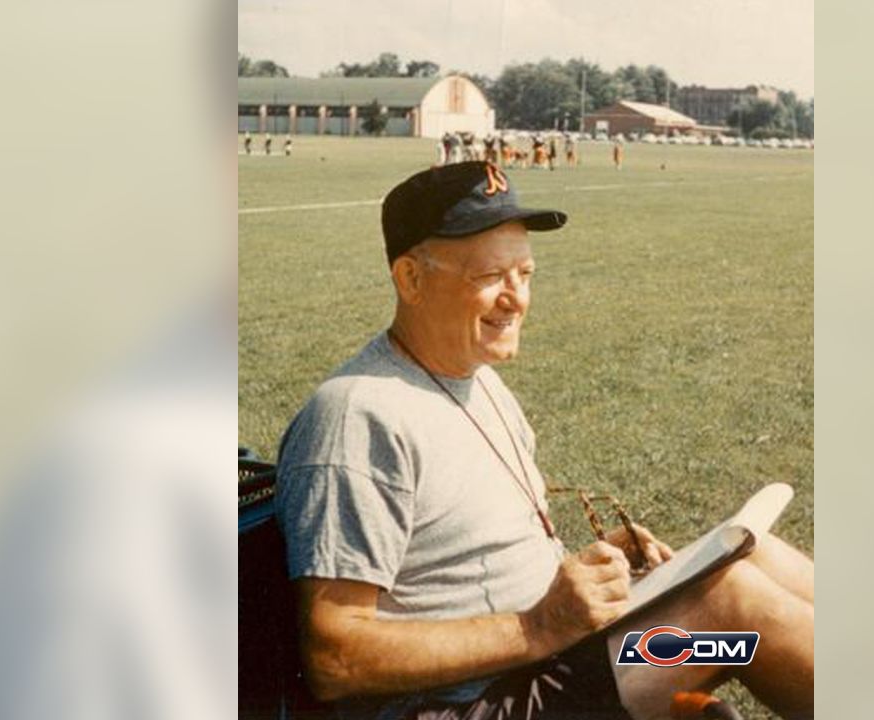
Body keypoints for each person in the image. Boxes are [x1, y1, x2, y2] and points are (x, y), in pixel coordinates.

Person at [275, 161, 814, 720]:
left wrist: (601, 576)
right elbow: (334, 656)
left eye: (524, 274)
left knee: (758, 555)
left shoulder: (478, 381)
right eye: (489, 277)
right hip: (473, 704)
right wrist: (539, 625)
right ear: (410, 278)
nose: (516, 299)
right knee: (735, 608)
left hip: (550, 665)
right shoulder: (358, 416)